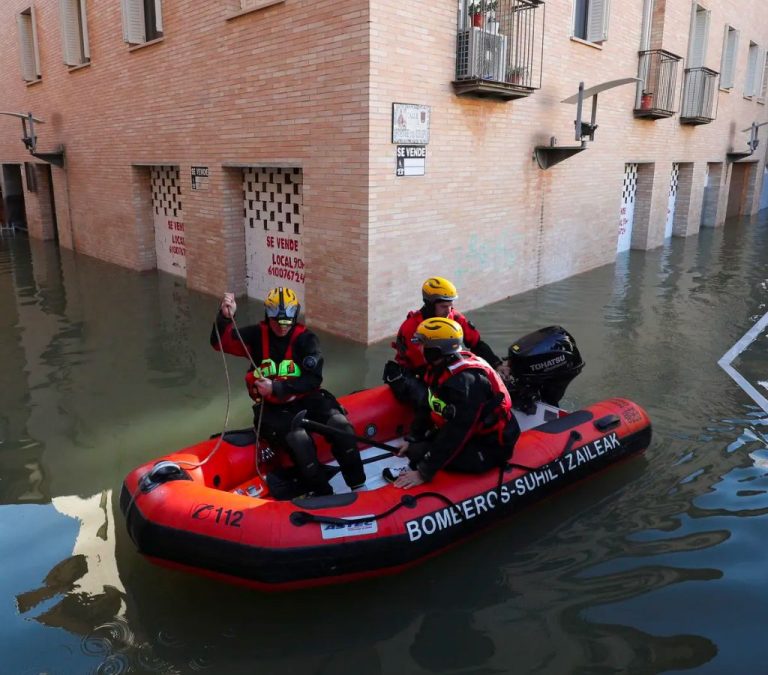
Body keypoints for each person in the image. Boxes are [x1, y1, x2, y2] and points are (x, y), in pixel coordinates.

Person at [211, 287, 365, 497]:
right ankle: (323, 492)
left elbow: (313, 379)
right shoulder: (257, 335)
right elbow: (220, 342)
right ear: (268, 316)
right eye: (277, 321)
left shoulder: (307, 340)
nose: (282, 327)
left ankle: (358, 484)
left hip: (306, 398)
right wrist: (225, 317)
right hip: (274, 407)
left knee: (340, 426)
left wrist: (278, 387)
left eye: (287, 322)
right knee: (299, 440)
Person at [389, 317, 520, 489]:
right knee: (416, 448)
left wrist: (424, 472)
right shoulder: (438, 368)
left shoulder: (465, 384)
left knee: (421, 453)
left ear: (436, 350)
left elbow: (457, 432)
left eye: (421, 343)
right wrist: (413, 437)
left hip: (490, 445)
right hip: (472, 434)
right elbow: (428, 403)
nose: (417, 347)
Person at [383, 276, 507, 406]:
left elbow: (476, 343)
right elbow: (422, 366)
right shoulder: (411, 328)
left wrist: (496, 364)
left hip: (443, 367)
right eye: (443, 306)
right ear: (430, 305)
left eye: (450, 305)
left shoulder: (454, 316)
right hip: (418, 373)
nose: (448, 311)